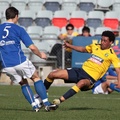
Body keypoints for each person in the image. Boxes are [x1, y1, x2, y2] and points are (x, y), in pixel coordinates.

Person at [0, 7, 57, 112]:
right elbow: (32, 47)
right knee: (36, 78)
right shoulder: (18, 29)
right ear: (16, 16)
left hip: (6, 65)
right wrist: (41, 55)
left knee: (23, 83)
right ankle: (46, 103)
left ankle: (34, 106)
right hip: (19, 60)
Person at [43, 30, 120, 106]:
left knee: (82, 82)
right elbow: (83, 49)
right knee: (52, 74)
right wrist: (70, 46)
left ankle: (59, 101)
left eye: (105, 41)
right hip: (80, 71)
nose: (102, 42)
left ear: (111, 42)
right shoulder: (95, 46)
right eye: (102, 39)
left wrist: (119, 83)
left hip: (90, 79)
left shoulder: (112, 55)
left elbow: (118, 71)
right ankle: (42, 96)